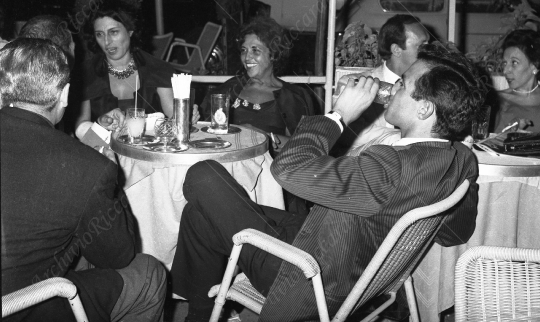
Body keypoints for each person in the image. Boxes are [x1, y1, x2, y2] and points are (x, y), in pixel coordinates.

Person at [170, 43, 485, 322]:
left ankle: (197, 313)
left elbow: (288, 169)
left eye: (402, 85)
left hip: (309, 276)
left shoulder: (389, 167)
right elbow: (455, 233)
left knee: (203, 175)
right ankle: (199, 314)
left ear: (425, 108)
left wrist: (338, 115)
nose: (392, 86)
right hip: (334, 244)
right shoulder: (459, 158)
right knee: (199, 213)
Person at [0, 38, 166, 322]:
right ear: (64, 94)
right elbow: (118, 257)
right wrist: (110, 182)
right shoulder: (88, 167)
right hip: (23, 306)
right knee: (149, 273)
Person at [200, 16, 315, 213]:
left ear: (274, 54)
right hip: (228, 172)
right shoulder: (229, 89)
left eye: (256, 50)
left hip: (271, 177)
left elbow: (306, 147)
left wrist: (262, 136)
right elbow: (207, 131)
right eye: (244, 50)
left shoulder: (294, 96)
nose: (247, 57)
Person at [75, 0, 198, 141]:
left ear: (130, 31)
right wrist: (100, 127)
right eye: (99, 34)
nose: (107, 41)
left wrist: (188, 115)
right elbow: (81, 129)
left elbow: (176, 119)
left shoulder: (156, 69)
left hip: (150, 153)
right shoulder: (85, 74)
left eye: (113, 32)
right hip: (103, 154)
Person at [338, 14, 429, 155]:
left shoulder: (428, 87)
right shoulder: (353, 84)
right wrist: (414, 137)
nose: (429, 51)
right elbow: (350, 132)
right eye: (422, 46)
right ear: (396, 50)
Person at [492, 29, 540, 133]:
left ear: (534, 66)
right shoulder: (496, 100)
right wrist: (508, 134)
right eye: (504, 63)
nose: (505, 70)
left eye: (514, 62)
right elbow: (484, 143)